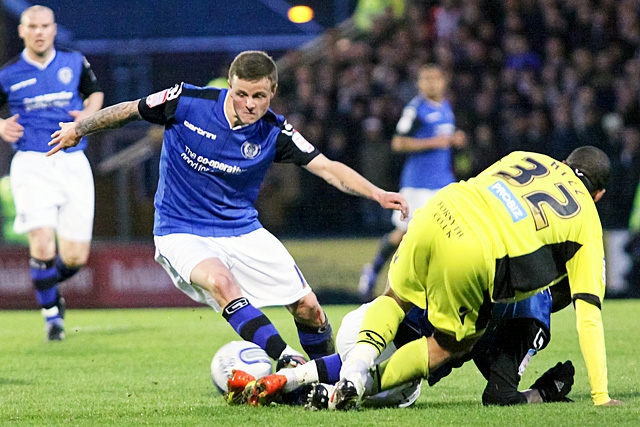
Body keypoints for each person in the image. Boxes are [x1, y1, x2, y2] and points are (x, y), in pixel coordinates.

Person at [46, 51, 409, 366]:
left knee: (310, 309)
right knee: (221, 282)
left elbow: (327, 167)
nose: (250, 104)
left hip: (242, 229)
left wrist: (376, 193)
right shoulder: (186, 101)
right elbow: (130, 111)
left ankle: (324, 377)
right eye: (241, 94)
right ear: (230, 87)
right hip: (180, 229)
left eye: (260, 96)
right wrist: (80, 128)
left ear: (273, 92)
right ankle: (285, 357)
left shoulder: (274, 130)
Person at [337, 146, 622, 409]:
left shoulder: (526, 156)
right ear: (599, 195)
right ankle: (362, 383)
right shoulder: (587, 225)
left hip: (443, 205)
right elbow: (588, 316)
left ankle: (351, 369)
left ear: (564, 162)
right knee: (453, 344)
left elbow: (482, 187)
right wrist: (600, 395)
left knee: (396, 298)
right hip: (474, 248)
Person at [229, 286, 575, 408]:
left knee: (358, 357)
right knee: (404, 383)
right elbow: (500, 391)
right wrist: (545, 391)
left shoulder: (485, 244)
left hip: (367, 320)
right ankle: (315, 393)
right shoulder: (535, 308)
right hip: (400, 367)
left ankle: (294, 378)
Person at [0, 5, 104, 341]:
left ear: (54, 29)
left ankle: (45, 286)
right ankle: (52, 318)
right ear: (22, 31)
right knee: (42, 245)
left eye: (45, 26)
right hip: (32, 162)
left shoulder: (74, 62)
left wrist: (87, 114)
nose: (39, 32)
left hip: (73, 162)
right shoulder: (9, 73)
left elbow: (95, 94)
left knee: (74, 258)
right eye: (32, 26)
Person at [358, 64, 465, 301]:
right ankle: (374, 270)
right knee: (404, 235)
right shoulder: (415, 110)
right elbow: (398, 143)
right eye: (425, 79)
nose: (431, 83)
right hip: (418, 183)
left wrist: (454, 141)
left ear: (444, 82)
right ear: (418, 84)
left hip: (443, 183)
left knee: (448, 233)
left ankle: (441, 287)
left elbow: (445, 141)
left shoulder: (446, 107)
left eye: (435, 78)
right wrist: (438, 142)